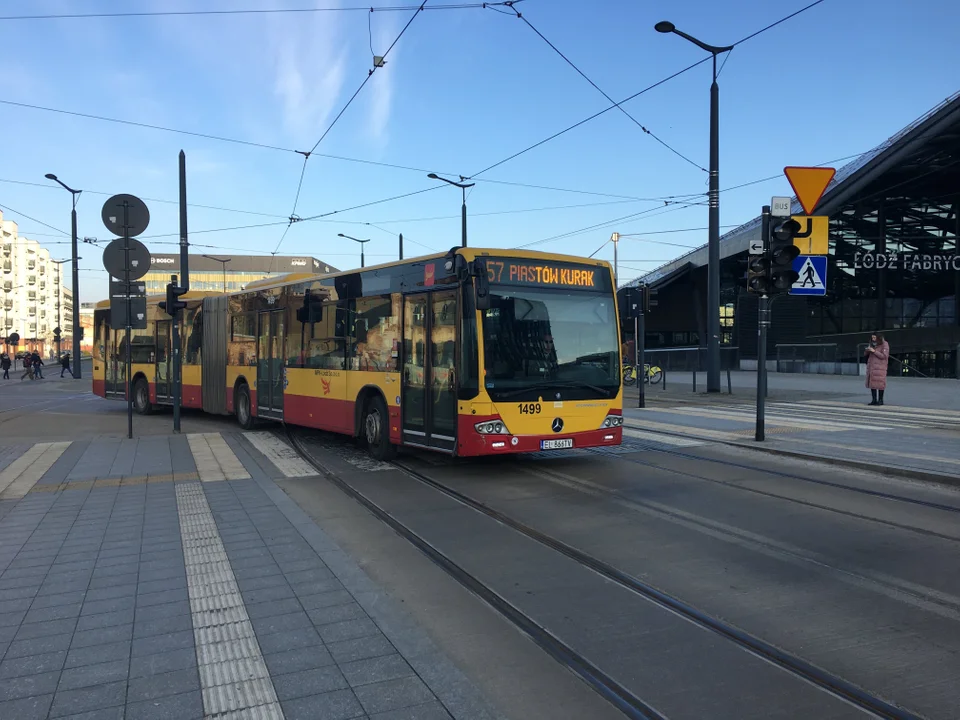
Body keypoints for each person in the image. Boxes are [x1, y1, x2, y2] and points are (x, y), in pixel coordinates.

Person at [865, 332, 889, 406]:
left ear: (879, 337)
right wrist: (867, 350)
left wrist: (874, 351)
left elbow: (884, 356)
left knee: (880, 383)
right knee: (872, 382)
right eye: (872, 338)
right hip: (872, 366)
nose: (873, 339)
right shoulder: (872, 344)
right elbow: (866, 354)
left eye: (874, 337)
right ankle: (874, 400)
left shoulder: (884, 344)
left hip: (880, 367)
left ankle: (880, 400)